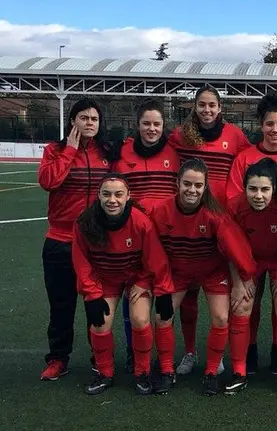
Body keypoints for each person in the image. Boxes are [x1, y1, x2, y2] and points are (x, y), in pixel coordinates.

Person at [149, 159, 258, 396]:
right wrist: (158, 283)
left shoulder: (214, 214)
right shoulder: (160, 211)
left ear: (205, 187)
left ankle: (211, 372)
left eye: (198, 185)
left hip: (212, 272)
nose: (192, 190)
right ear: (177, 183)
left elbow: (234, 249)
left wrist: (244, 277)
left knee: (220, 317)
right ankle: (167, 370)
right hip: (177, 273)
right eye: (187, 183)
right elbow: (153, 251)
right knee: (162, 315)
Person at [168, 85, 250, 376]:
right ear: (195, 106)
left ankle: (219, 355)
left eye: (212, 105)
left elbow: (247, 165)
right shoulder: (180, 134)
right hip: (189, 219)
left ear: (220, 107)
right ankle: (189, 352)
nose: (206, 110)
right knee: (188, 294)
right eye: (201, 104)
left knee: (221, 296)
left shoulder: (235, 136)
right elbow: (159, 150)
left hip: (221, 221)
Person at [226, 92, 277, 375]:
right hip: (249, 244)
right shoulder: (244, 158)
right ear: (261, 124)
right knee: (248, 299)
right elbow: (235, 205)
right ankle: (247, 354)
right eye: (269, 124)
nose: (275, 130)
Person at [72, 173, 175, 395]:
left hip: (136, 277)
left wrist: (163, 291)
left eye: (119, 194)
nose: (112, 200)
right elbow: (81, 262)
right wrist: (92, 295)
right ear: (98, 196)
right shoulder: (85, 222)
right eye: (106, 194)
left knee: (139, 318)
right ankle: (104, 372)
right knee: (100, 324)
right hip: (105, 279)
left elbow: (156, 259)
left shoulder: (141, 222)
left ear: (128, 196)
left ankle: (142, 372)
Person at [38, 98, 117, 381]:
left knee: (94, 303)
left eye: (94, 119)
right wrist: (70, 151)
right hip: (59, 241)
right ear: (73, 121)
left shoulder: (107, 152)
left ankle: (99, 356)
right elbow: (48, 181)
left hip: (96, 242)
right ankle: (58, 359)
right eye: (83, 118)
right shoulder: (54, 150)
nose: (89, 123)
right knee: (61, 306)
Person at [228, 158, 277, 393]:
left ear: (274, 189)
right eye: (253, 189)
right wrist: (238, 283)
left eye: (265, 189)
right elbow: (231, 248)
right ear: (244, 188)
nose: (259, 195)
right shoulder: (235, 207)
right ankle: (239, 372)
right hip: (248, 257)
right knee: (242, 305)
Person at [112, 98, 180, 374]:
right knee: (133, 297)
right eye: (146, 123)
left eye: (157, 124)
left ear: (164, 126)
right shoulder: (123, 152)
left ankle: (166, 357)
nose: (151, 129)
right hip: (134, 239)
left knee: (167, 297)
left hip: (168, 238)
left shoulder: (176, 151)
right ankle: (134, 352)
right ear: (137, 124)